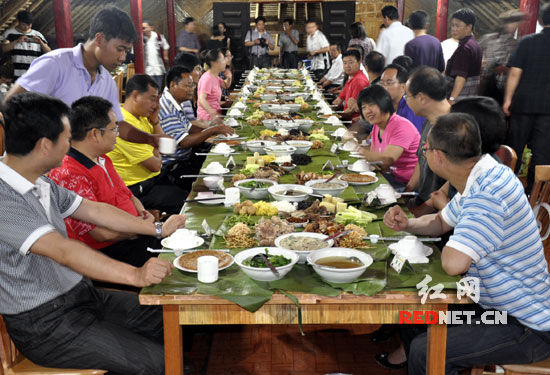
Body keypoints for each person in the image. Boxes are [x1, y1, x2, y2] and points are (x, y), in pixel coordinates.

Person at [0, 92, 186, 374]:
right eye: (66, 136)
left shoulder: (39, 180)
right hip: (45, 323)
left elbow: (94, 210)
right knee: (157, 363)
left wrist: (156, 229)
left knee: (170, 318)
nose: (70, 143)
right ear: (44, 146)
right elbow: (63, 250)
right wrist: (134, 275)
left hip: (81, 296)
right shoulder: (5, 198)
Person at [384, 112, 550, 375]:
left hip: (524, 325)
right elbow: (440, 221)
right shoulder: (483, 174)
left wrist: (459, 235)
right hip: (494, 309)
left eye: (425, 149)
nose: (424, 153)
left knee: (425, 350)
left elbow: (453, 263)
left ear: (438, 156)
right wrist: (408, 224)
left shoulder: (487, 195)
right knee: (412, 313)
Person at [49, 96, 183, 267]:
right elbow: (101, 234)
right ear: (95, 134)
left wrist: (143, 214)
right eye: (114, 129)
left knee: (185, 235)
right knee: (177, 258)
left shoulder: (102, 158)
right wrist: (142, 229)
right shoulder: (69, 174)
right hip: (108, 253)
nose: (118, 135)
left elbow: (128, 195)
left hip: (135, 232)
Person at [3, 6, 161, 148]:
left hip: (80, 164)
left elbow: (119, 125)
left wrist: (150, 139)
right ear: (99, 39)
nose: (122, 58)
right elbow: (11, 105)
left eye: (126, 51)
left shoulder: (106, 81)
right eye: (120, 49)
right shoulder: (56, 64)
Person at [108, 74, 187, 214]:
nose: (155, 105)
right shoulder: (124, 123)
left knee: (191, 185)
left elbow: (166, 148)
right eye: (152, 99)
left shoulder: (141, 116)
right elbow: (155, 165)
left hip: (153, 180)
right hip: (137, 189)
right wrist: (157, 149)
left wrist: (155, 120)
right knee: (187, 203)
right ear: (136, 96)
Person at [425, 96, 507, 211]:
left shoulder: (485, 180)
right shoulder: (464, 163)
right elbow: (437, 196)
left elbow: (473, 221)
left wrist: (443, 207)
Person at [159, 65, 234, 189]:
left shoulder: (175, 101)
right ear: (173, 85)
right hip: (175, 167)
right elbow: (184, 142)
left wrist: (216, 131)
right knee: (220, 171)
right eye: (188, 86)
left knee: (222, 156)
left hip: (187, 157)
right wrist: (213, 130)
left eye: (193, 85)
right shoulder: (167, 108)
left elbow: (189, 128)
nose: (191, 89)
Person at [503, 3, 550, 193]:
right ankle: (534, 192)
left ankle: (507, 188)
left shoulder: (527, 41)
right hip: (548, 109)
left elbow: (514, 73)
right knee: (542, 153)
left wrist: (507, 100)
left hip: (522, 104)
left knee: (514, 148)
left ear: (539, 21)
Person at [403, 67, 450, 214]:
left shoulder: (455, 128)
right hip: (421, 200)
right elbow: (420, 161)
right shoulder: (429, 121)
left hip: (441, 211)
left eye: (407, 96)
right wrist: (406, 193)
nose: (405, 100)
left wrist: (418, 212)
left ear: (422, 98)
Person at [357, 85, 420, 190]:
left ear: (384, 103)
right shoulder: (377, 126)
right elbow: (378, 162)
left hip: (404, 184)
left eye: (371, 105)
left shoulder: (401, 126)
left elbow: (387, 159)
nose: (367, 111)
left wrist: (361, 151)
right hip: (389, 177)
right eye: (363, 107)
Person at [479, 10, 524, 104]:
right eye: (511, 22)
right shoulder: (488, 39)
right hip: (486, 84)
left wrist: (506, 69)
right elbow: (477, 56)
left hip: (506, 87)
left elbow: (519, 68)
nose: (513, 26)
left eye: (516, 23)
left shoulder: (517, 44)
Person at [445, 8, 482, 103]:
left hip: (460, 99)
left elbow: (461, 77)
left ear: (469, 27)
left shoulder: (465, 48)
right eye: (452, 25)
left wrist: (452, 99)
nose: (453, 29)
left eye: (457, 26)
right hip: (470, 97)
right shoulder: (475, 44)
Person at [1, 10, 50, 80]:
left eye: (29, 24)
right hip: (17, 74)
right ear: (18, 21)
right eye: (24, 24)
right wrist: (16, 41)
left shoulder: (38, 35)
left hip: (34, 74)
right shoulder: (9, 33)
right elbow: (3, 49)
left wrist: (41, 43)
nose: (27, 27)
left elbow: (49, 52)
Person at [379, 63, 424, 133]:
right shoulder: (385, 105)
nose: (384, 88)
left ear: (403, 87)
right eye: (381, 83)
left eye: (389, 83)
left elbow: (415, 140)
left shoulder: (411, 108)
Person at [332, 50, 369, 118]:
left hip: (353, 123)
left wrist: (334, 117)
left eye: (351, 62)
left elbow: (351, 110)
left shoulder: (359, 81)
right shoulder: (352, 78)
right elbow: (338, 100)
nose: (347, 66)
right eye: (344, 63)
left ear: (359, 62)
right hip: (346, 117)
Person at [197, 48, 227, 123]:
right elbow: (201, 99)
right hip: (207, 119)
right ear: (214, 63)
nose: (225, 62)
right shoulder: (207, 78)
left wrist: (229, 77)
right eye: (223, 59)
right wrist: (212, 113)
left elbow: (225, 85)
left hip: (216, 116)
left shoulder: (215, 76)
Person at [142, 20, 169, 89]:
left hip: (158, 69)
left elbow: (166, 46)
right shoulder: (141, 39)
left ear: (151, 28)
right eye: (142, 28)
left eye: (144, 28)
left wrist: (165, 56)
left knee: (158, 89)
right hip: (147, 70)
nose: (143, 30)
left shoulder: (158, 37)